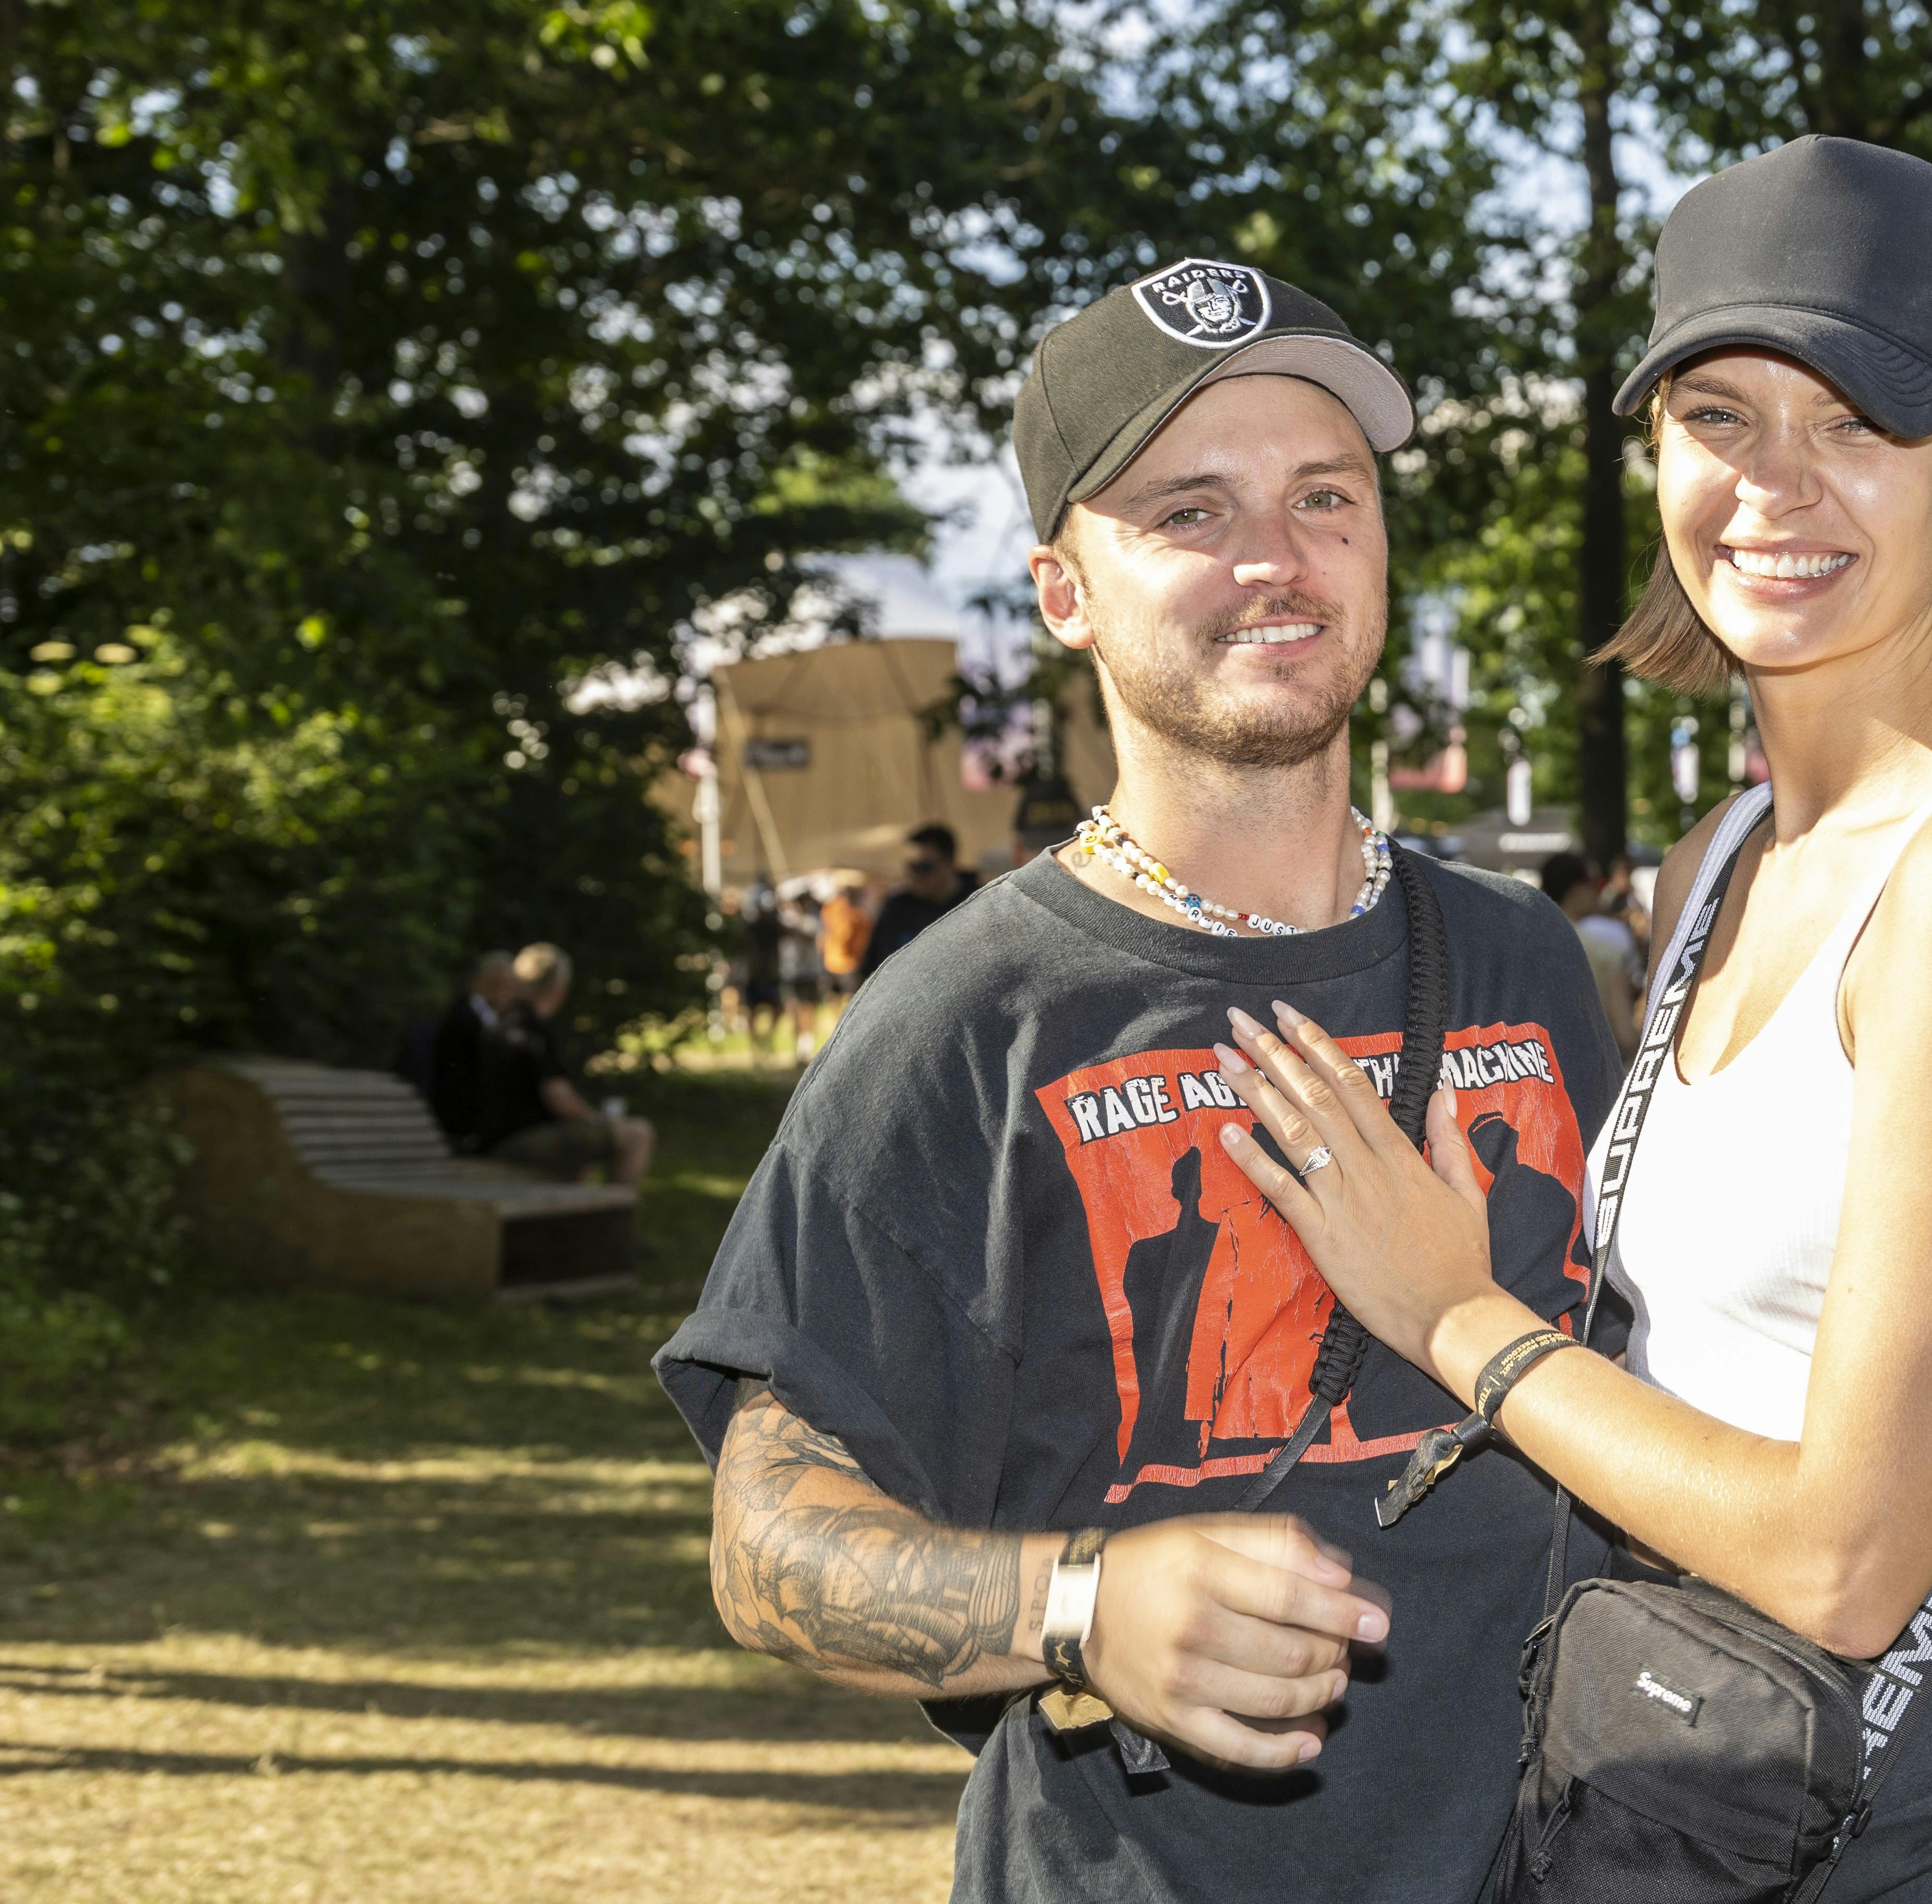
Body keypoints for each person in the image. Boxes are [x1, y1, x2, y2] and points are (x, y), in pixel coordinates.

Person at [1206, 139, 1932, 1898]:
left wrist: (1451, 1311)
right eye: (1718, 413)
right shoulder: (1716, 853)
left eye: (1857, 422)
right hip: (1698, 1786)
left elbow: (1847, 1557)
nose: (1773, 484)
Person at [654, 260, 1624, 1903]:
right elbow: (770, 1540)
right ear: (1063, 593)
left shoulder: (1532, 964)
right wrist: (1083, 1605)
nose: (1278, 556)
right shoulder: (966, 1020)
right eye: (1189, 509)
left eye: (1328, 495)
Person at [476, 943, 656, 1186]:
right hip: (515, 1142)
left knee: (582, 1157)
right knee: (639, 1134)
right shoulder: (532, 1030)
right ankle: (612, 1221)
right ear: (559, 987)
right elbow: (560, 1098)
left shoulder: (499, 1023)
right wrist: (597, 1120)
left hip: (494, 1139)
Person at [1539, 849, 1641, 1058]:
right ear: (1577, 889)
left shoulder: (1525, 944)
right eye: (1595, 884)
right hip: (1593, 1073)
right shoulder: (1605, 951)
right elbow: (1626, 1038)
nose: (1599, 892)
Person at [421, 950, 518, 1150]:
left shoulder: (482, 1017)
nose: (512, 993)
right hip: (461, 1130)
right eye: (506, 984)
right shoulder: (466, 1019)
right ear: (486, 982)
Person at [856, 823, 976, 983]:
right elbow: (872, 970)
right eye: (911, 867)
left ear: (950, 864)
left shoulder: (979, 902)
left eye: (925, 867)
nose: (916, 875)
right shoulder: (897, 908)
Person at [774, 893, 824, 1062]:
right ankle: (797, 1046)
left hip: (809, 972)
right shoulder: (787, 919)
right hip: (792, 972)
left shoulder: (811, 920)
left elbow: (811, 937)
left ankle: (806, 1045)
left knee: (809, 1008)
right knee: (794, 1008)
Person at [738, 879, 784, 1055]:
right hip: (753, 974)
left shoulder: (772, 926)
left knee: (776, 1008)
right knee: (752, 1010)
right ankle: (755, 1046)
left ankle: (764, 1041)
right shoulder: (749, 927)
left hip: (769, 973)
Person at [819, 876, 872, 1005]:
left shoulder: (858, 915)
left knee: (851, 998)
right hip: (835, 961)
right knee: (836, 996)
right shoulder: (834, 908)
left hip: (848, 962)